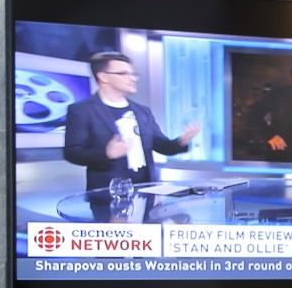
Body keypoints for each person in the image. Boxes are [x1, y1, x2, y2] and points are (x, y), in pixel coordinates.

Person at [63, 52, 200, 192]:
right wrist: (106, 154)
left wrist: (182, 140)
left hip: (147, 190)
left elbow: (161, 145)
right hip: (107, 193)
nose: (132, 79)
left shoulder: (142, 111)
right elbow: (73, 152)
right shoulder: (82, 110)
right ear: (103, 77)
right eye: (123, 74)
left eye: (133, 74)